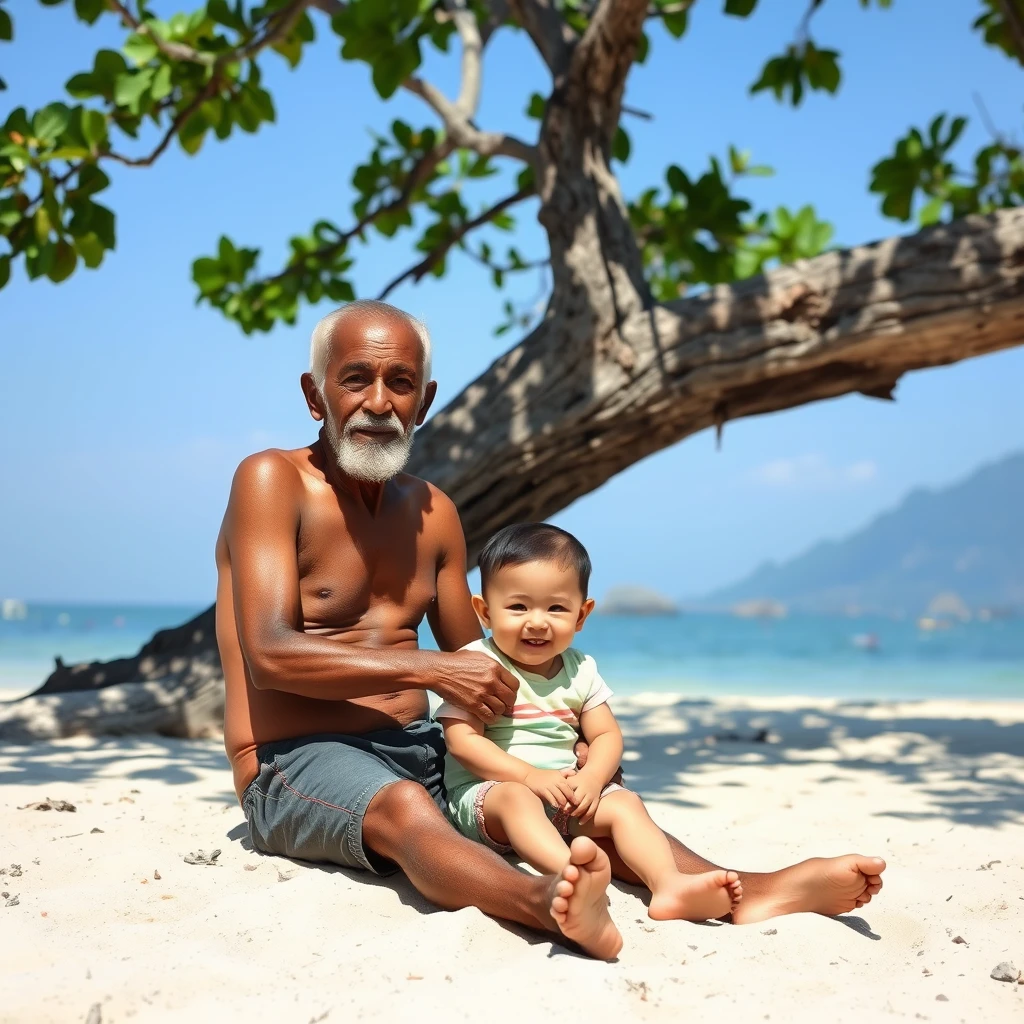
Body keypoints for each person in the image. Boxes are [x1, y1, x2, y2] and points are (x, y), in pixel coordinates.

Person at [214, 299, 885, 962]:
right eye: (356, 378)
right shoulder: (272, 481)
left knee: (581, 799)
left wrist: (577, 743)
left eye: (401, 383)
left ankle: (748, 889)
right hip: (292, 760)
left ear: (425, 400)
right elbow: (270, 655)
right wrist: (432, 671)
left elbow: (487, 660)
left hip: (421, 746)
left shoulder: (431, 511)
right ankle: (548, 905)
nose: (379, 401)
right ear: (315, 395)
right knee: (405, 808)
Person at [439, 523, 744, 923]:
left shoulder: (581, 669)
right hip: (490, 797)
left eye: (556, 608)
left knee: (627, 803)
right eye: (517, 607)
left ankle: (668, 884)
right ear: (485, 611)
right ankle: (573, 874)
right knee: (518, 799)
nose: (537, 622)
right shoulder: (475, 665)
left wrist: (594, 778)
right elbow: (462, 742)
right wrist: (529, 777)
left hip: (565, 796)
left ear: (581, 615)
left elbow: (606, 734)